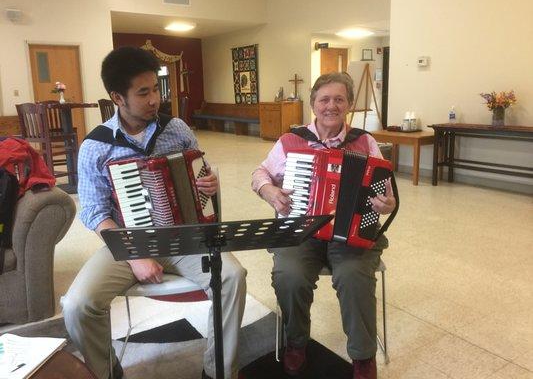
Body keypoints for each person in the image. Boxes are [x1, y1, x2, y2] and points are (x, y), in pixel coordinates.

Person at [62, 47, 246, 379]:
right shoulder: (95, 146)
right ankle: (105, 371)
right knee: (77, 304)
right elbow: (93, 211)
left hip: (186, 236)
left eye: (156, 89)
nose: (154, 100)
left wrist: (209, 183)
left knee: (233, 277)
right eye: (143, 92)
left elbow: (200, 175)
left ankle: (218, 371)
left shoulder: (176, 130)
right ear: (118, 97)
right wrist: (134, 254)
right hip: (128, 241)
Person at [251, 72, 396, 379]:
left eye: (339, 99)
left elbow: (387, 197)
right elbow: (260, 174)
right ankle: (296, 342)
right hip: (301, 231)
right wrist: (270, 191)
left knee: (353, 275)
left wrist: (386, 205)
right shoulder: (291, 141)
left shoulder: (364, 141)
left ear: (349, 104)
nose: (331, 106)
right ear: (314, 104)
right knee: (289, 275)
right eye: (324, 99)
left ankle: (362, 355)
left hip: (350, 234)